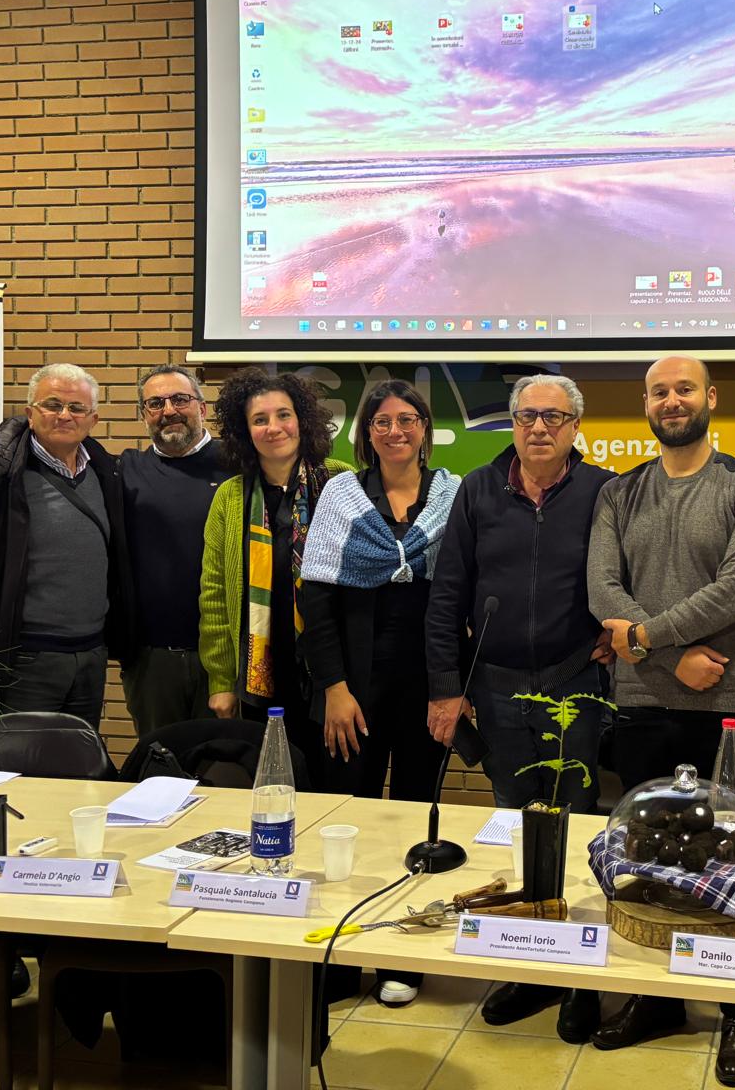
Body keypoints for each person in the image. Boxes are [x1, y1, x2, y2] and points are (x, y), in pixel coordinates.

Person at [586, 355, 735, 1083]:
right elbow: (603, 587)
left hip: (730, 705)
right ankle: (656, 998)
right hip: (644, 704)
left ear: (711, 398)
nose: (673, 401)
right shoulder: (619, 492)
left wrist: (641, 640)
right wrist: (663, 659)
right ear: (646, 404)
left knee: (733, 862)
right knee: (646, 862)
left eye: (685, 389)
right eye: (660, 391)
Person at [424, 373, 614, 1043]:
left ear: (574, 426)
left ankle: (581, 978)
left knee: (576, 823)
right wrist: (447, 687)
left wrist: (620, 637)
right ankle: (534, 966)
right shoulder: (478, 488)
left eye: (555, 417)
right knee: (519, 820)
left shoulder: (600, 491)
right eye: (529, 415)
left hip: (574, 682)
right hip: (498, 688)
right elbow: (448, 591)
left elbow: (622, 577)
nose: (540, 428)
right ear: (512, 423)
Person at [297, 379, 461, 1008]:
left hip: (426, 686)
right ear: (365, 432)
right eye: (383, 421)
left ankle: (404, 959)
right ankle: (341, 960)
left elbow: (458, 599)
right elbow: (316, 597)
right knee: (351, 821)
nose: (396, 430)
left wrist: (450, 690)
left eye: (408, 419)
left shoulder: (453, 495)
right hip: (352, 690)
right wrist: (335, 689)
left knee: (419, 821)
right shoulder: (340, 495)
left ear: (425, 428)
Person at [0, 362, 131, 727]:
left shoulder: (106, 475)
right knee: (17, 773)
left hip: (89, 657)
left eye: (77, 408)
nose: (65, 415)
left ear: (94, 418)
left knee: (78, 772)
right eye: (52, 405)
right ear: (30, 414)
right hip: (20, 662)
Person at [198, 368, 337, 775]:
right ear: (245, 431)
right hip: (260, 677)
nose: (273, 427)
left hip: (326, 674)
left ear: (302, 420)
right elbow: (214, 594)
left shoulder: (339, 481)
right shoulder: (230, 497)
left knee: (330, 782)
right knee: (272, 782)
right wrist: (221, 681)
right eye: (260, 420)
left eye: (283, 415)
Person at [117, 364, 223, 738]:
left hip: (226, 658)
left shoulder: (239, 466)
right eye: (155, 403)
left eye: (180, 399)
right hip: (152, 660)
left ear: (202, 407)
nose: (169, 410)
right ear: (143, 414)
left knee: (225, 771)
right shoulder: (125, 470)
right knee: (159, 770)